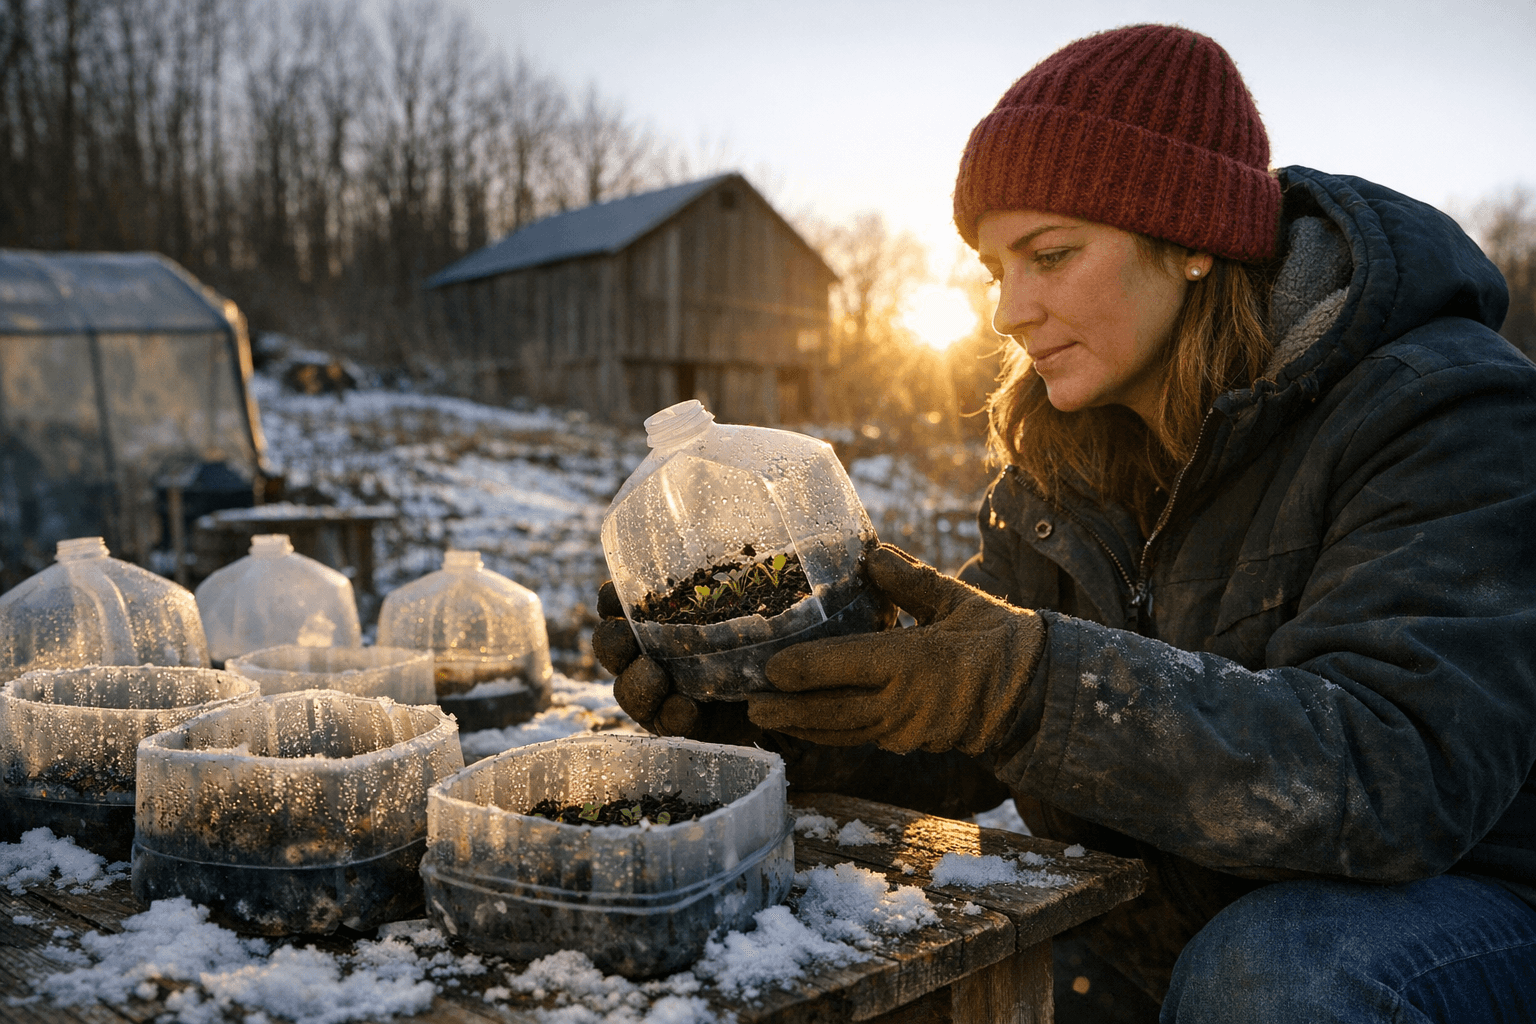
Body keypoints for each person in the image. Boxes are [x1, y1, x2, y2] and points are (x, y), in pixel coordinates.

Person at [598, 23, 1536, 1022]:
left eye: (1050, 254)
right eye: (994, 268)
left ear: (1189, 242)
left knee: (1281, 971)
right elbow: (975, 733)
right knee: (901, 931)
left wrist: (1028, 685)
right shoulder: (1063, 458)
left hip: (1458, 911)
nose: (1007, 309)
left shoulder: (1443, 408)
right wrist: (774, 708)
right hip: (1180, 906)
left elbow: (1399, 774)